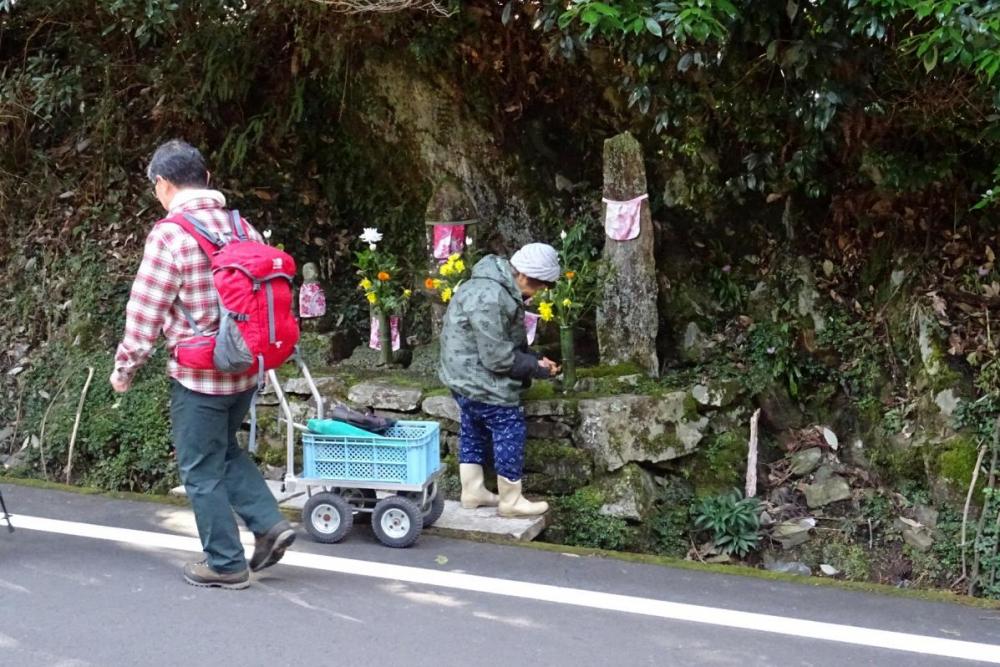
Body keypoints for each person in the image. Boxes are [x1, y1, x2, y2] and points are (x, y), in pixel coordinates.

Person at [110, 139, 295, 589]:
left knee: (199, 467)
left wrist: (125, 369)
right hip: (248, 368)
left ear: (163, 185)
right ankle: (269, 524)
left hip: (200, 374)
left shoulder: (170, 234)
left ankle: (226, 564)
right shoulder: (240, 225)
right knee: (224, 448)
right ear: (207, 180)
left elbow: (145, 310)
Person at [438, 243, 560, 517]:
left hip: (461, 377)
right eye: (538, 288)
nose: (535, 296)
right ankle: (511, 500)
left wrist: (534, 360)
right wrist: (536, 367)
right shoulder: (492, 296)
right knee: (508, 426)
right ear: (525, 277)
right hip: (476, 380)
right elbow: (497, 358)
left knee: (473, 428)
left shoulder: (488, 283)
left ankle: (472, 491)